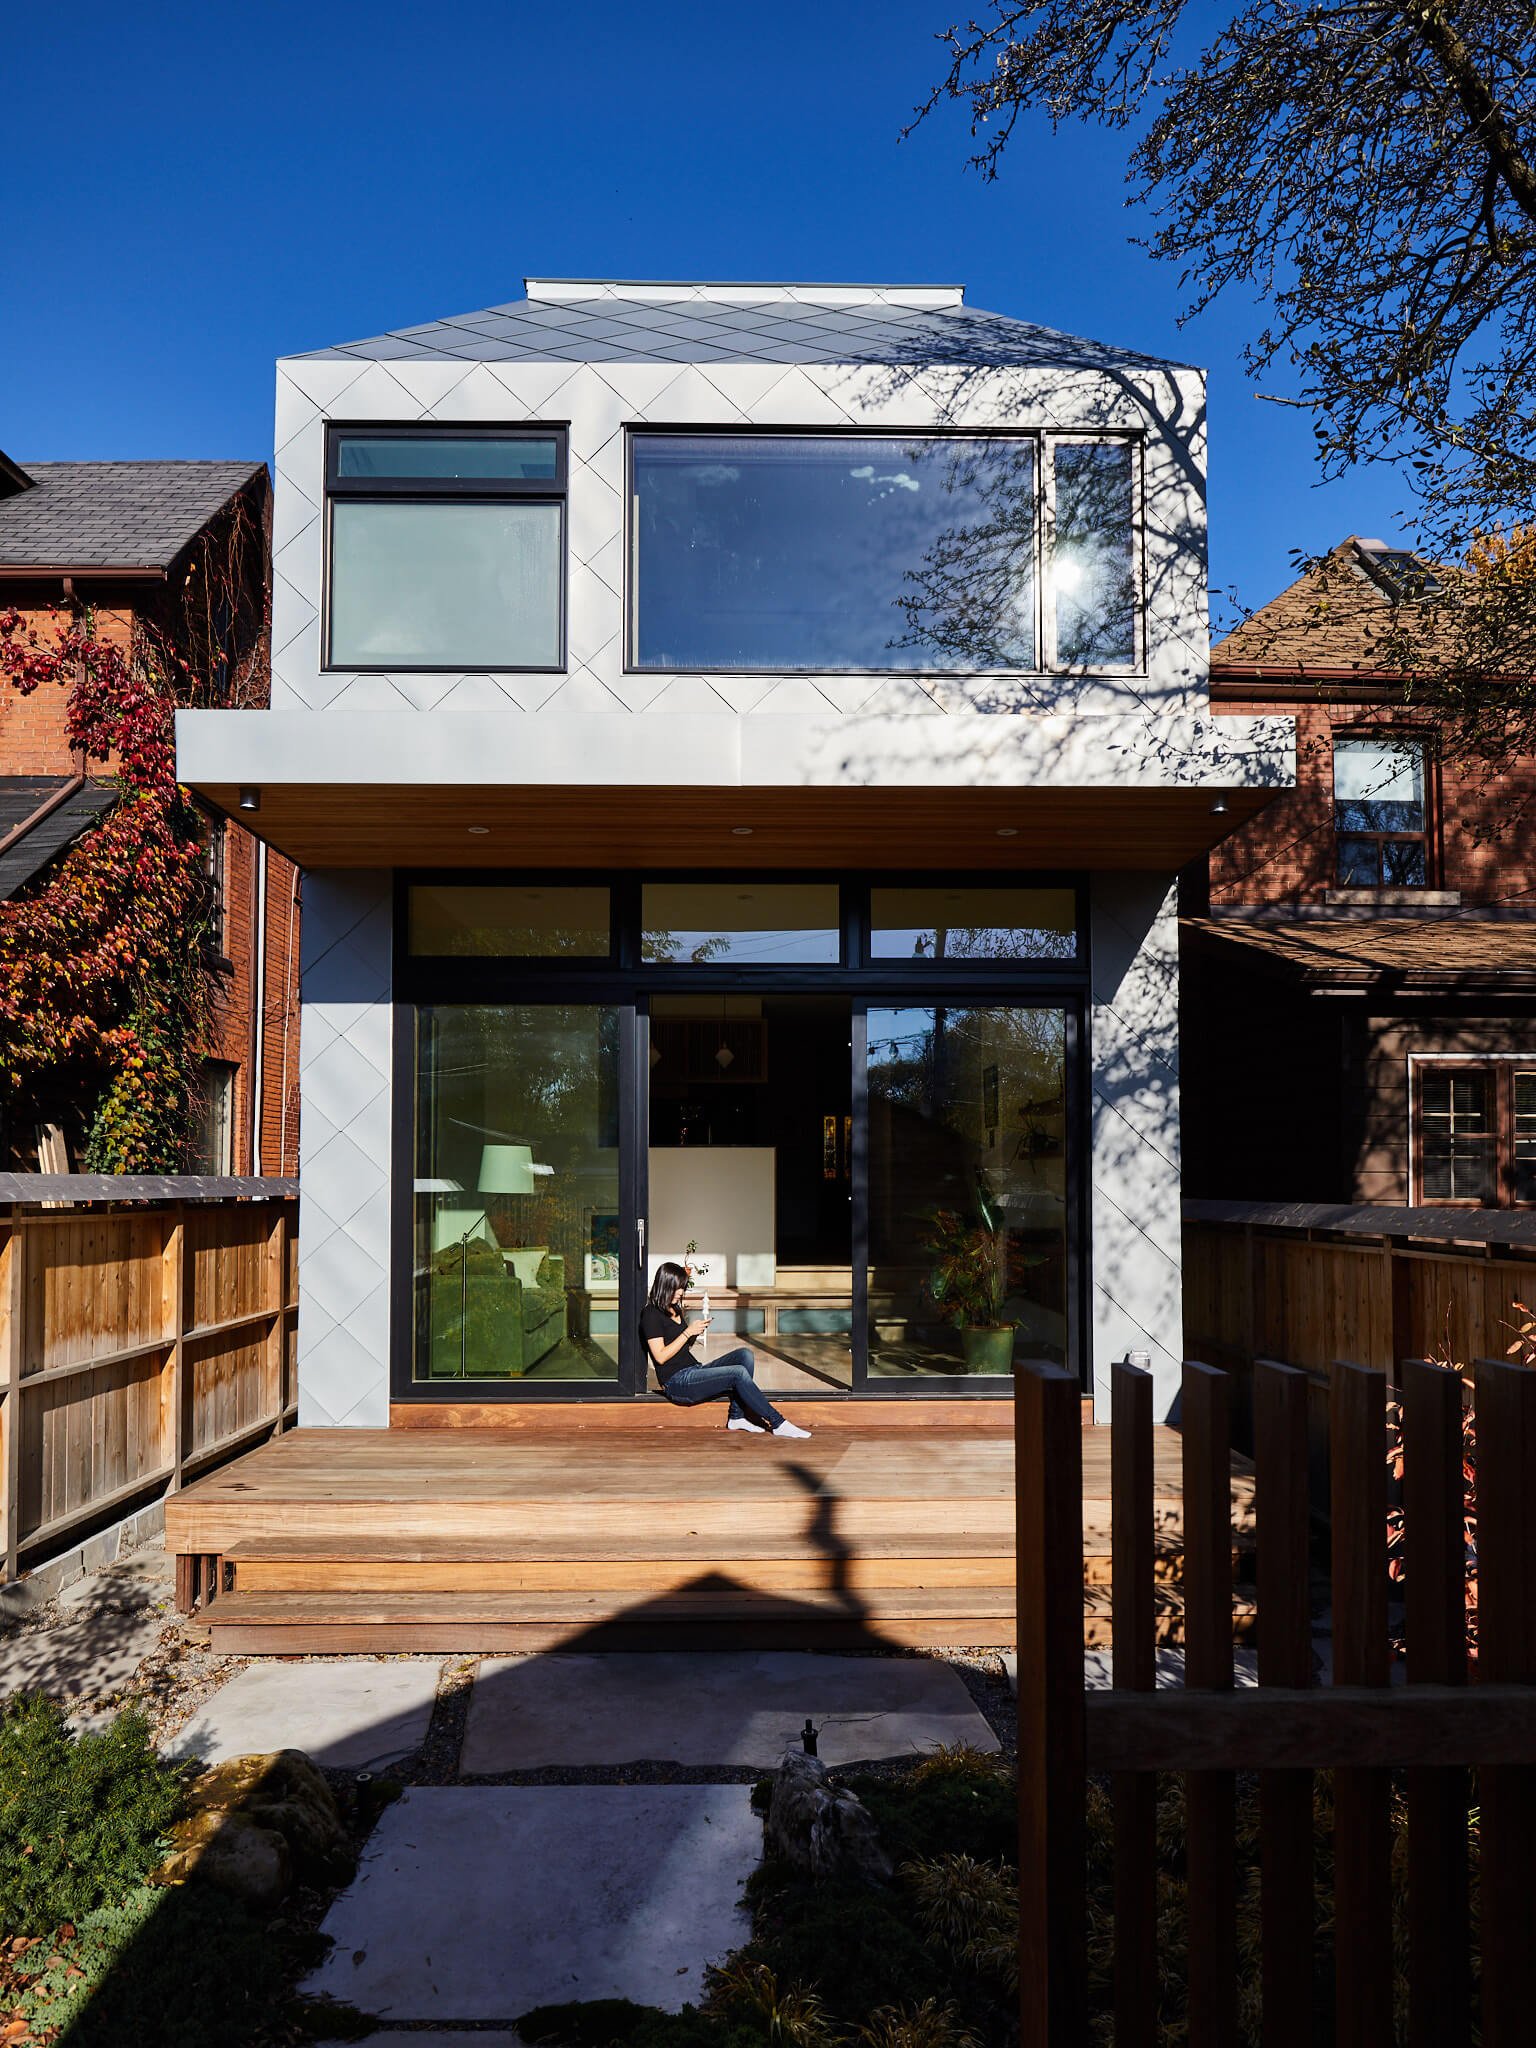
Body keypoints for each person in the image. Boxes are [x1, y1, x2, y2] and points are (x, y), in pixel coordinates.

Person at [640, 1262, 810, 1438]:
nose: (681, 1293)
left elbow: (682, 1348)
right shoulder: (651, 1314)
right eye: (677, 1288)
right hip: (676, 1383)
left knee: (745, 1355)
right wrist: (687, 1332)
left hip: (694, 1370)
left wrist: (693, 1335)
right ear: (665, 1285)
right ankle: (777, 1423)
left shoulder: (674, 1308)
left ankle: (737, 1417)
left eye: (682, 1288)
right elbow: (660, 1357)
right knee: (738, 1373)